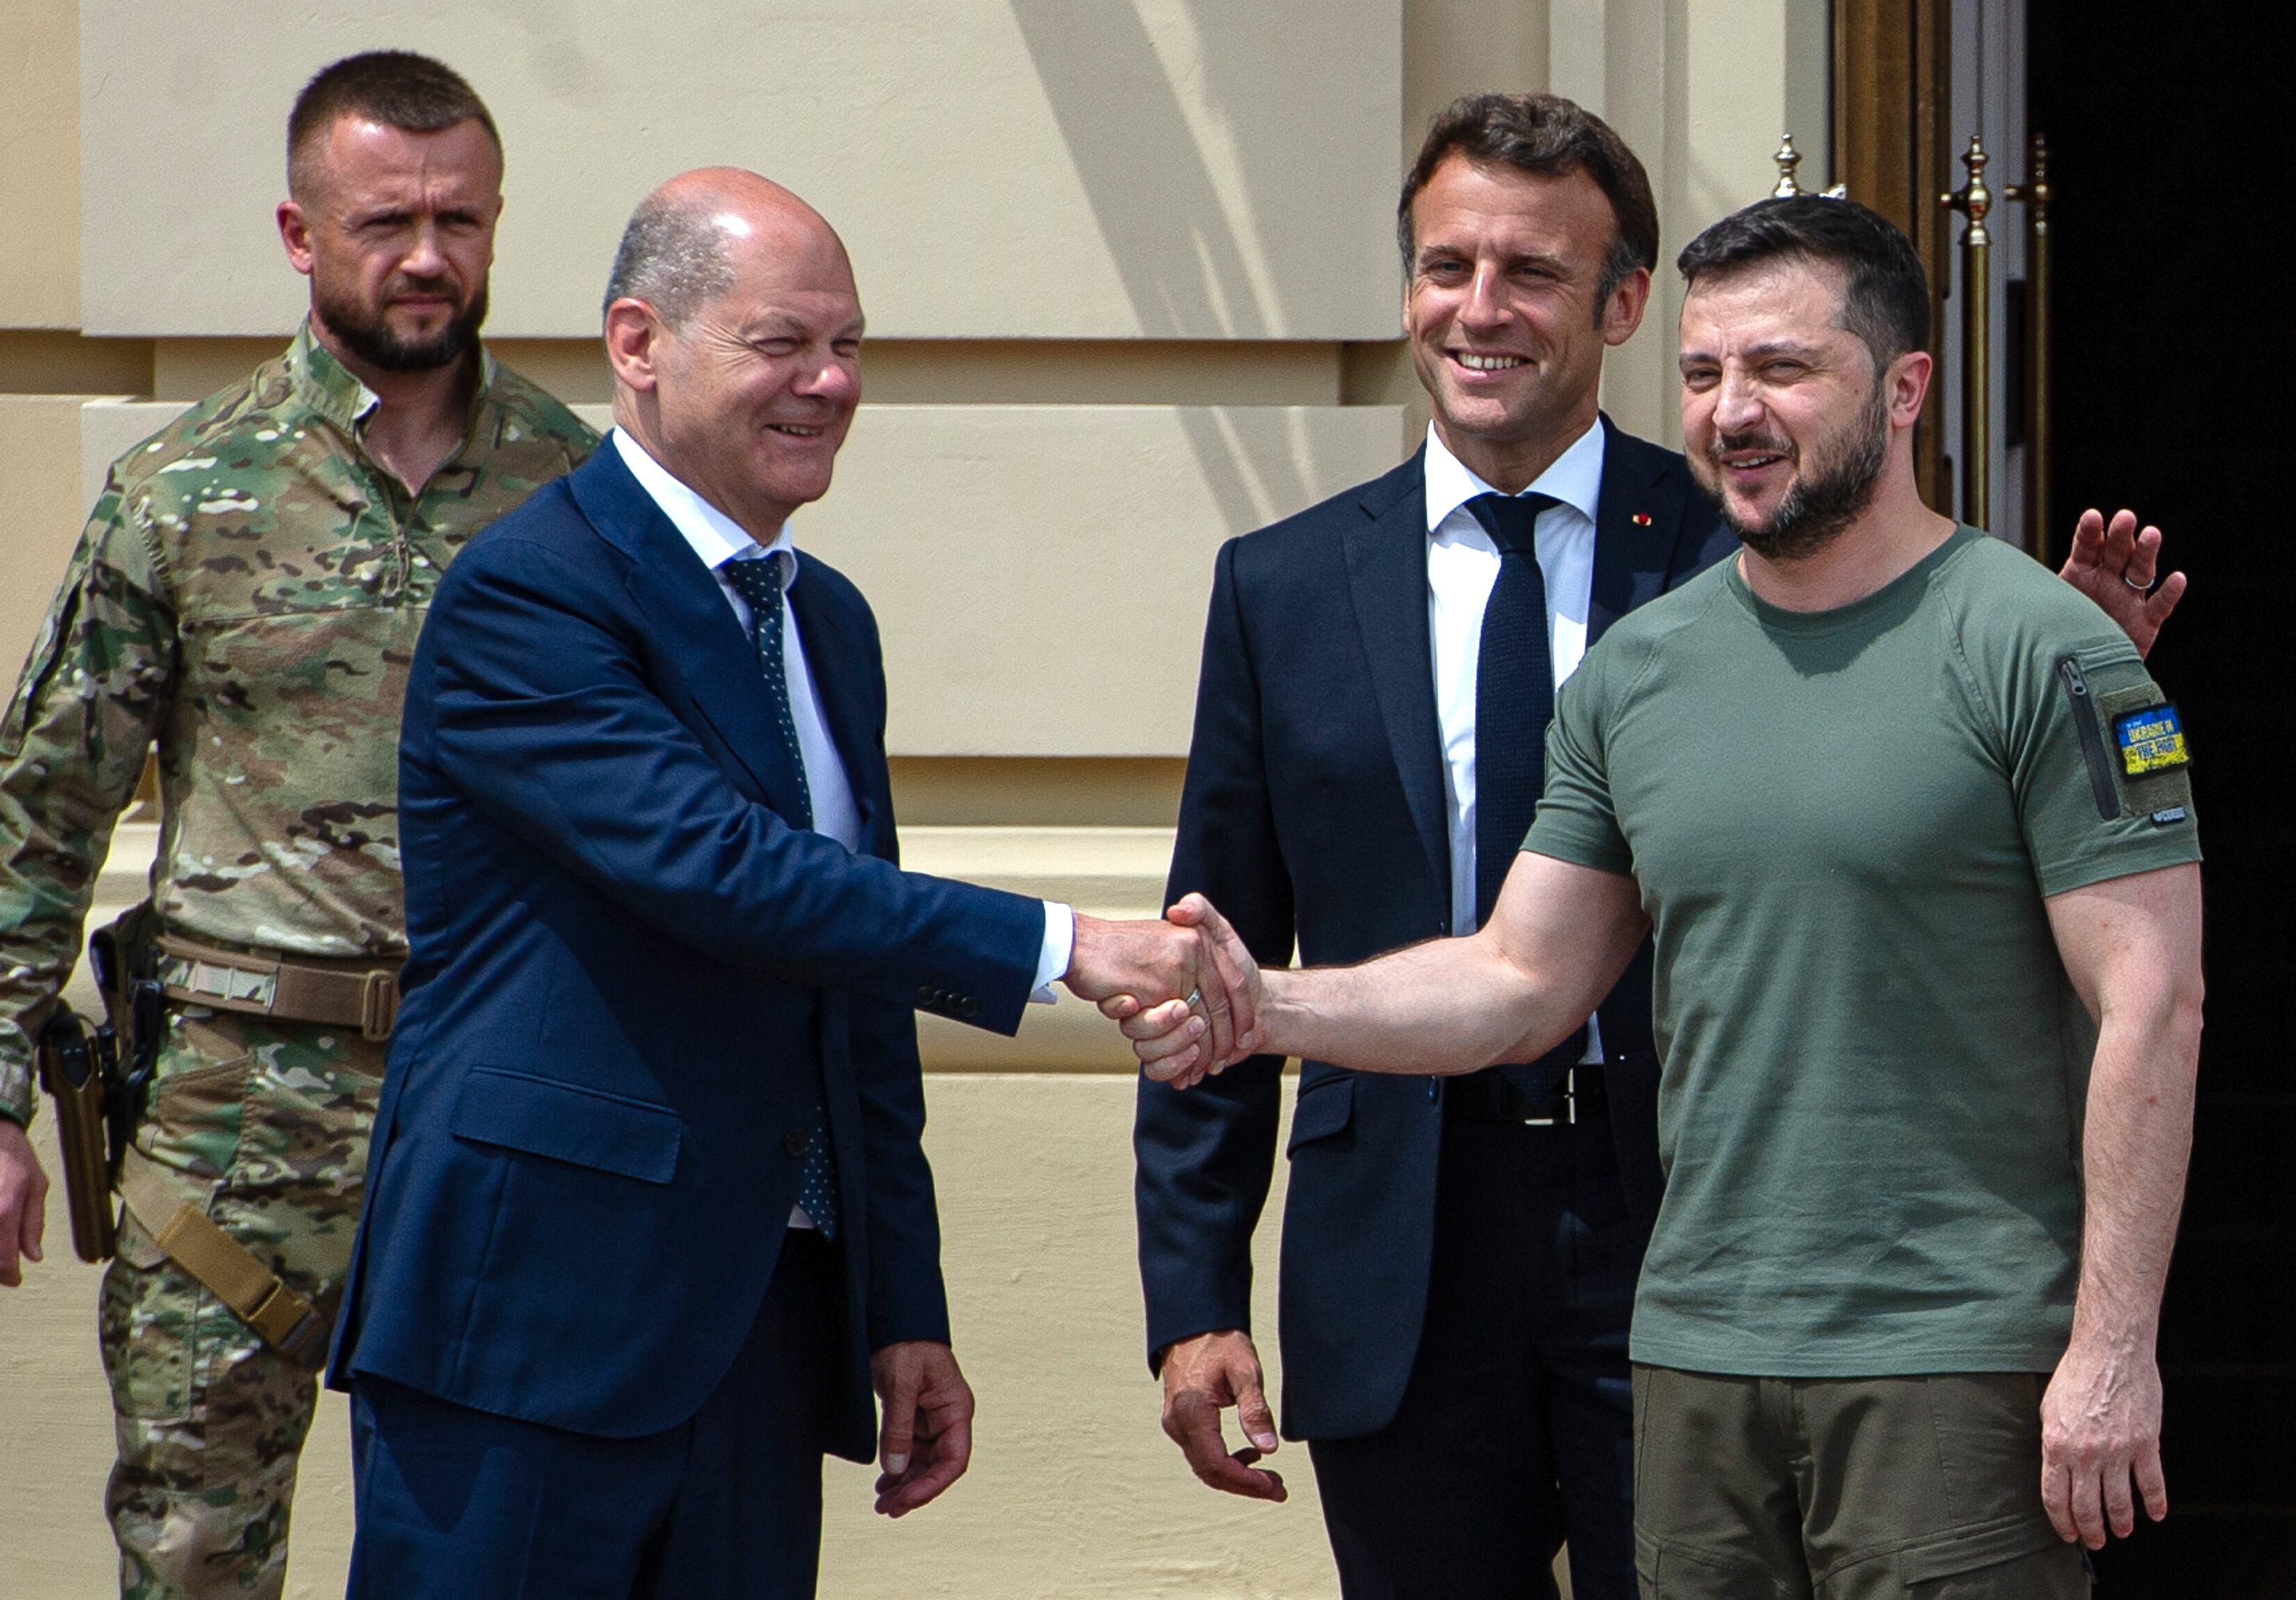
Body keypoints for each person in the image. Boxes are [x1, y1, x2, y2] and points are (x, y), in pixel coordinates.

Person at [1131, 93, 2180, 1600]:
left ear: (1617, 300)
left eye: (1533, 272)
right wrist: (1202, 1250)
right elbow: (1400, 950)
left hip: (1720, 1247)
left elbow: (2088, 944)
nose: (1478, 309)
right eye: (1445, 266)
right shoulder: (1294, 587)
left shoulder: (1769, 543)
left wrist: (2064, 670)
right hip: (1423, 1260)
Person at [327, 167, 1246, 1600]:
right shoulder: (531, 592)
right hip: (532, 1329)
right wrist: (1067, 946)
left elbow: (851, 984)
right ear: (639, 342)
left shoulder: (827, 622)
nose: (829, 382)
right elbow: (723, 873)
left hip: (761, 1330)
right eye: (782, 345)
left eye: (850, 345)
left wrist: (901, 1302)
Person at [0, 51, 599, 1598]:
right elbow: (44, 806)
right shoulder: (182, 492)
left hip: (502, 1104)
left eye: (460, 221)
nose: (426, 257)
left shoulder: (582, 494)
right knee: (196, 1549)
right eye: (384, 222)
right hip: (232, 1123)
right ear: (299, 234)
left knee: (510, 1547)